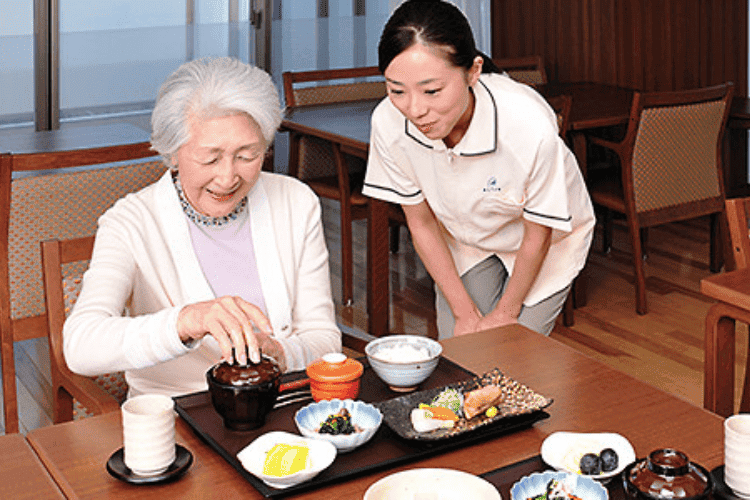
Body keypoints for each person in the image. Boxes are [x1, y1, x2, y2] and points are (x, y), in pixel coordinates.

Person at [64, 57, 342, 397]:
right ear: (172, 152)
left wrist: (281, 353)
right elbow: (81, 345)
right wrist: (187, 321)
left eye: (247, 155)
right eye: (210, 159)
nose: (227, 178)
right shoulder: (130, 222)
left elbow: (324, 338)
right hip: (177, 422)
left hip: (283, 408)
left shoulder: (296, 202)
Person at [363, 0, 595, 338]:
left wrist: (505, 312)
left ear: (473, 71)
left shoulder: (527, 123)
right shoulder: (388, 122)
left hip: (546, 243)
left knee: (515, 354)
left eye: (432, 90)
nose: (415, 109)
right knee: (461, 351)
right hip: (466, 238)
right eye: (396, 90)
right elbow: (422, 223)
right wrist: (464, 313)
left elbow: (538, 232)